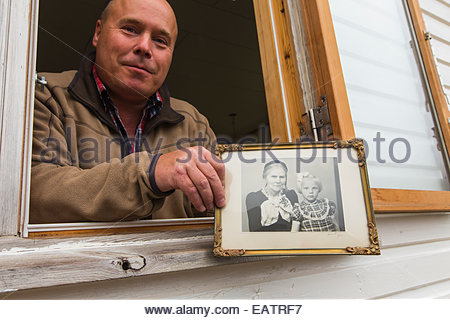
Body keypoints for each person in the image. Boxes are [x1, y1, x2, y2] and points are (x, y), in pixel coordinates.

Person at [30, 0, 225, 223]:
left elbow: (216, 216)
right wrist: (151, 173)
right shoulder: (45, 96)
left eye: (160, 41)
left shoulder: (194, 122)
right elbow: (34, 195)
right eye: (130, 29)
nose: (144, 47)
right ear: (98, 33)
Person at [245, 160, 298, 232]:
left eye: (282, 177)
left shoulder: (291, 195)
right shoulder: (253, 198)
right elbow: (254, 231)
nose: (278, 181)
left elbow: (297, 223)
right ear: (265, 177)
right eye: (274, 176)